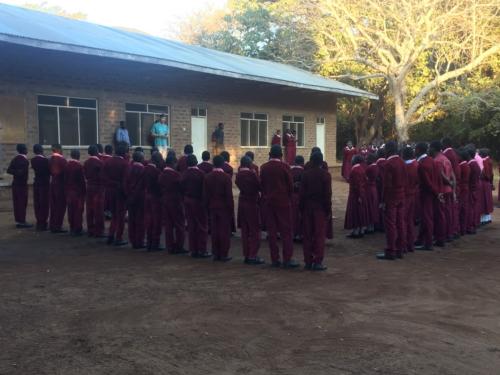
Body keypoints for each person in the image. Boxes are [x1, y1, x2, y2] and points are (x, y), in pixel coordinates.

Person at [260, 145, 299, 268]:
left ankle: (274, 259)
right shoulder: (285, 167)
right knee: (286, 231)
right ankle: (287, 258)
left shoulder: (264, 168)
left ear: (270, 154)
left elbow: (262, 185)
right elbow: (290, 186)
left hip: (269, 202)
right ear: (281, 155)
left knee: (272, 232)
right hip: (283, 202)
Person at [299, 151, 331, 271]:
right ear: (322, 162)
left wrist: (301, 209)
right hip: (320, 209)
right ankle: (317, 262)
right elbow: (327, 195)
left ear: (311, 162)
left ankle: (308, 261)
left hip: (307, 208)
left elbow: (301, 194)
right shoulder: (325, 175)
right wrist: (328, 210)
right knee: (319, 235)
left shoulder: (306, 175)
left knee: (307, 235)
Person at [377, 141, 407, 260]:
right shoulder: (402, 161)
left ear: (388, 150)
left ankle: (391, 250)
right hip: (401, 195)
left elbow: (386, 185)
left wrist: (383, 200)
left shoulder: (388, 164)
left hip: (391, 197)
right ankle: (400, 249)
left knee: (391, 224)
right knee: (400, 223)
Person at [203, 155, 234, 262]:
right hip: (223, 207)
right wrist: (231, 209)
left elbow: (206, 194)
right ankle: (223, 253)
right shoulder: (226, 177)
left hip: (212, 206)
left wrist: (206, 207)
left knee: (214, 230)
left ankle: (216, 253)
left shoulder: (207, 177)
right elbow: (229, 196)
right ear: (222, 164)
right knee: (224, 231)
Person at [236, 156, 264, 265]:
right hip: (252, 202)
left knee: (245, 230)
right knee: (255, 230)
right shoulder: (251, 174)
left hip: (242, 201)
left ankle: (247, 254)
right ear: (249, 164)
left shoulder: (238, 175)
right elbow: (259, 185)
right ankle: (253, 255)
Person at [181, 154, 210, 258]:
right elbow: (204, 190)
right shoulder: (201, 174)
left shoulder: (184, 174)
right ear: (196, 162)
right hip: (198, 201)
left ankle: (193, 249)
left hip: (187, 200)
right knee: (202, 226)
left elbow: (181, 187)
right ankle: (202, 250)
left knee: (191, 225)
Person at [159, 155, 187, 254]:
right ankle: (179, 246)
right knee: (179, 225)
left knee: (169, 225)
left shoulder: (162, 174)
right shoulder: (176, 175)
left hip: (165, 201)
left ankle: (170, 246)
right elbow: (182, 188)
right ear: (172, 163)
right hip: (176, 202)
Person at [415, 143, 440, 251]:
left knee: (427, 218)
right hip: (430, 193)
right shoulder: (431, 160)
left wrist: (436, 192)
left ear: (419, 150)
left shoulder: (422, 163)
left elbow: (427, 182)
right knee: (426, 217)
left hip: (426, 194)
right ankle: (421, 239)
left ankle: (428, 243)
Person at [103, 144, 129, 246]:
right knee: (121, 216)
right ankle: (118, 237)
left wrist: (110, 184)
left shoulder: (108, 162)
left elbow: (103, 176)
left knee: (114, 215)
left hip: (110, 192)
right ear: (123, 153)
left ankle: (110, 235)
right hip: (120, 192)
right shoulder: (124, 163)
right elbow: (125, 180)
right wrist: (126, 193)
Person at [429, 141, 453, 246]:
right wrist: (452, 184)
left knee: (440, 215)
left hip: (441, 190)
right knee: (446, 213)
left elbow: (441, 175)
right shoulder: (446, 159)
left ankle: (440, 238)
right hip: (448, 189)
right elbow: (452, 174)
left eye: (430, 147)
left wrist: (448, 182)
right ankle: (447, 234)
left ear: (434, 148)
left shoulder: (437, 160)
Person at [125, 151, 146, 249]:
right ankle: (139, 241)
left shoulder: (129, 168)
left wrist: (128, 194)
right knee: (140, 220)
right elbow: (142, 185)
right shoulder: (142, 169)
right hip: (140, 197)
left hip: (130, 196)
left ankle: (133, 240)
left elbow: (125, 183)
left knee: (132, 219)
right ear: (141, 159)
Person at [7, 144, 31, 228]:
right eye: (26, 149)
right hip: (22, 185)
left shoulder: (15, 159)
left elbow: (9, 170)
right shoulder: (24, 160)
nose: (27, 150)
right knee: (22, 203)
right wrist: (19, 172)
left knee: (17, 203)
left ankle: (18, 221)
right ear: (23, 150)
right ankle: (22, 221)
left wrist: (16, 172)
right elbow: (21, 172)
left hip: (15, 184)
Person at [83, 145, 105, 238]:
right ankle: (99, 231)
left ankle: (90, 229)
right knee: (98, 209)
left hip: (89, 187)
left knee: (89, 209)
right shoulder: (99, 163)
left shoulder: (86, 162)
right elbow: (102, 177)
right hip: (98, 188)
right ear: (97, 152)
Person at [144, 151, 164, 251]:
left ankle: (149, 242)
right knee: (156, 221)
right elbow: (160, 185)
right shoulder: (156, 172)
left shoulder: (145, 169)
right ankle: (155, 243)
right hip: (155, 198)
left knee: (149, 220)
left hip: (147, 196)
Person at [344, 155, 368, 238]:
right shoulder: (361, 168)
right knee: (360, 212)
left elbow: (358, 185)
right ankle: (361, 229)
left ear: (355, 160)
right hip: (360, 193)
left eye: (352, 159)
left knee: (355, 212)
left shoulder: (355, 170)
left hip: (355, 194)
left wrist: (359, 196)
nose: (351, 160)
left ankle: (356, 231)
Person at [442, 138, 461, 238]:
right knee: (453, 208)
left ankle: (450, 231)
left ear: (445, 144)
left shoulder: (447, 154)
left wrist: (450, 183)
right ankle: (454, 230)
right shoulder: (452, 152)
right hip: (454, 183)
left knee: (449, 209)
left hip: (449, 184)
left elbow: (448, 172)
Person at [65, 150, 86, 236]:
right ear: (78, 156)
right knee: (78, 210)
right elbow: (81, 181)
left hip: (69, 191)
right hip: (77, 192)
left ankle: (72, 227)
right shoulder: (79, 166)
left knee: (70, 209)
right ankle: (77, 228)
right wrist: (84, 192)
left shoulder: (66, 165)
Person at [49, 144, 68, 233]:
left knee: (53, 205)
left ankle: (52, 224)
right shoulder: (62, 160)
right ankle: (57, 226)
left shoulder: (49, 159)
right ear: (58, 149)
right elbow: (66, 173)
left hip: (52, 184)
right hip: (60, 185)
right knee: (60, 206)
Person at [403, 146, 419, 253]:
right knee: (409, 220)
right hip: (413, 194)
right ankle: (410, 244)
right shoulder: (416, 165)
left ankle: (403, 244)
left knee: (402, 221)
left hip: (404, 196)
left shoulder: (405, 167)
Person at [31, 144, 50, 231]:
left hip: (36, 183)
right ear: (41, 150)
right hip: (44, 184)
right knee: (44, 204)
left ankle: (39, 222)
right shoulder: (45, 160)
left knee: (37, 203)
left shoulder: (33, 160)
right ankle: (43, 223)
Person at [467, 145, 481, 234]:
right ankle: (473, 225)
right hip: (475, 187)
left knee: (471, 208)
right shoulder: (475, 163)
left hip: (471, 188)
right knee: (474, 207)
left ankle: (471, 226)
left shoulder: (471, 164)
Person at [290, 155, 305, 242]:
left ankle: (292, 234)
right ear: (302, 163)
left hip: (291, 196)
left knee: (291, 215)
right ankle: (299, 234)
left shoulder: (290, 170)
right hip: (300, 196)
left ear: (295, 162)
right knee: (300, 216)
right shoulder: (304, 171)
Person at [364, 153, 379, 234]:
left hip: (369, 188)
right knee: (373, 207)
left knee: (369, 207)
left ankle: (369, 227)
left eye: (367, 158)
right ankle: (372, 226)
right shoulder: (376, 166)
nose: (366, 160)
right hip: (374, 188)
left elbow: (365, 177)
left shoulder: (370, 168)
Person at [457, 148, 471, 236]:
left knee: (461, 210)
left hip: (462, 189)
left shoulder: (462, 166)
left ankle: (461, 229)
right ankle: (463, 229)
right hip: (465, 188)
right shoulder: (467, 165)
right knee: (464, 209)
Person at [479, 149, 494, 224]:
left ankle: (483, 220)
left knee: (483, 201)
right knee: (487, 201)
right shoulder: (489, 160)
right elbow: (491, 174)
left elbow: (483, 173)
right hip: (488, 183)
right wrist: (491, 183)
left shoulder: (484, 161)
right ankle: (488, 218)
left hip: (483, 183)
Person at [102, 144, 114, 220]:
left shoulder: (100, 158)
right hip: (110, 184)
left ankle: (104, 212)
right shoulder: (112, 160)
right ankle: (109, 213)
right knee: (110, 199)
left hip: (102, 183)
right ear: (112, 151)